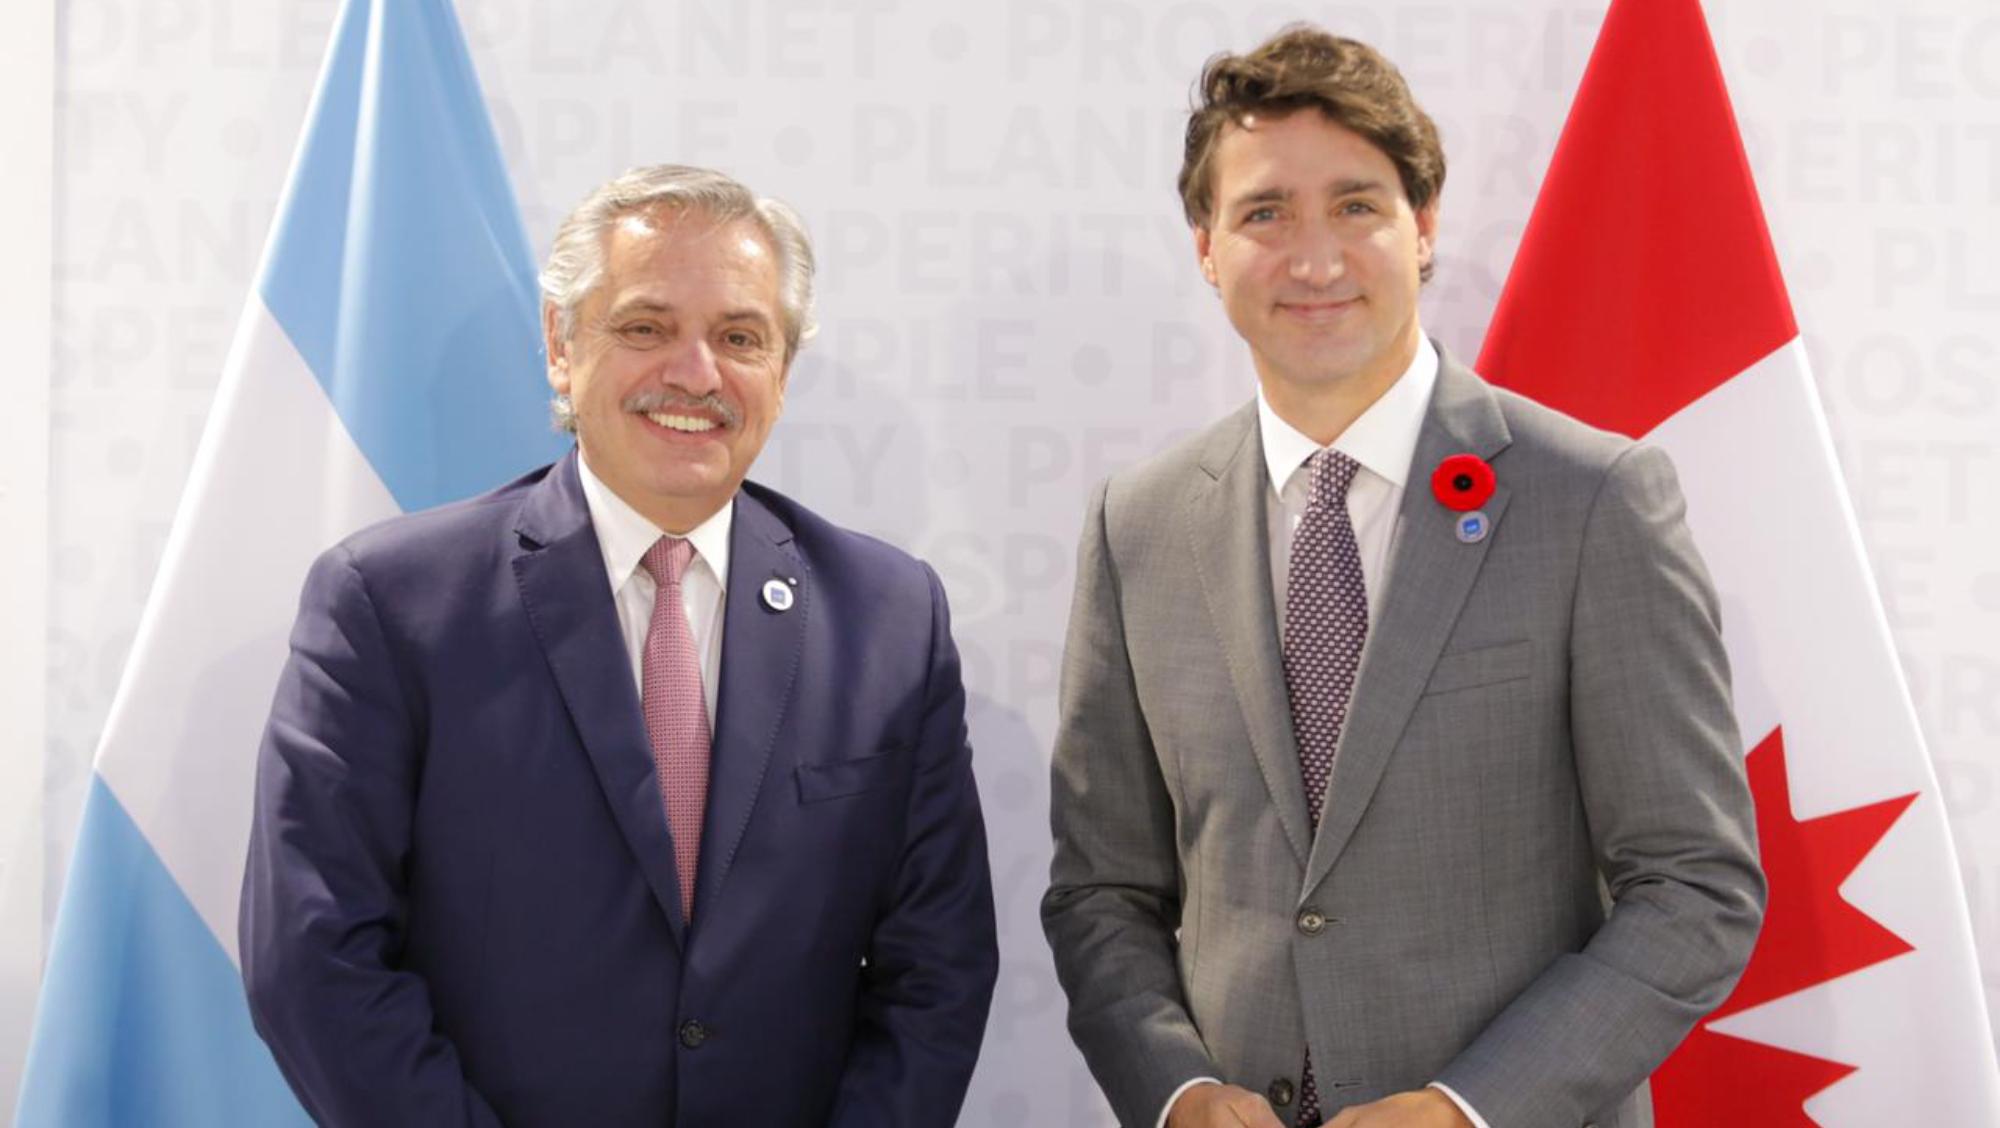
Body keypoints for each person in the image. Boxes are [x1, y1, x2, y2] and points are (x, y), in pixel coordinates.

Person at [1041, 26, 1764, 1128]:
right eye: (1264, 212)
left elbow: (1694, 888)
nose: (1314, 257)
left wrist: (1464, 1108)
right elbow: (1102, 890)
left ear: (1422, 230)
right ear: (1204, 248)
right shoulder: (1136, 525)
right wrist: (1176, 1090)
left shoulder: (1592, 501)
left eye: (1356, 206)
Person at [241, 164, 998, 1127]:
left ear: (782, 371)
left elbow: (940, 965)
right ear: (562, 346)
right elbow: (313, 960)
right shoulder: (388, 605)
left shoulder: (891, 616)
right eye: (645, 327)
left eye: (740, 337)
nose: (696, 373)